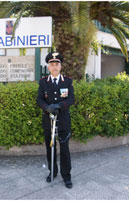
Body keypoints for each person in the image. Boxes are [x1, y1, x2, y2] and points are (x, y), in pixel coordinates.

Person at [37, 52, 74, 189]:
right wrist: (47, 107)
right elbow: (39, 99)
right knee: (50, 148)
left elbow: (71, 99)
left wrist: (59, 106)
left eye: (57, 64)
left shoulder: (67, 81)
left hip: (63, 121)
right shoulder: (43, 82)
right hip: (48, 121)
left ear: (60, 66)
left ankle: (66, 176)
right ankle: (53, 172)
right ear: (48, 67)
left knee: (65, 149)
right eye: (52, 64)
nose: (54, 66)